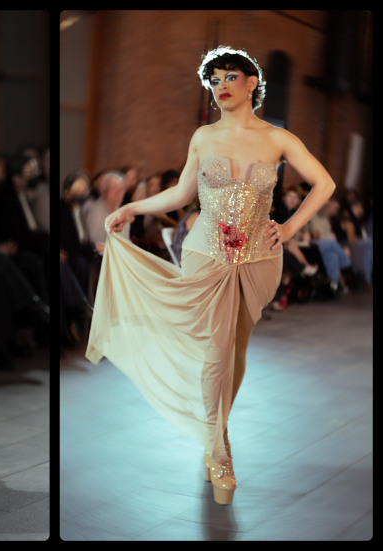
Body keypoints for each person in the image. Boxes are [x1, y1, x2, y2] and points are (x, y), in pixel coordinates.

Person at [89, 46, 335, 505]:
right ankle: (219, 451)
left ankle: (214, 435)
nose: (221, 86)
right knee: (216, 349)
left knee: (236, 349)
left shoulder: (278, 138)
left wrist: (288, 228)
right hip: (205, 252)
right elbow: (182, 193)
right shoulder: (203, 136)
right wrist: (132, 208)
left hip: (260, 259)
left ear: (251, 83)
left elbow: (325, 184)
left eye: (229, 77)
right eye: (215, 80)